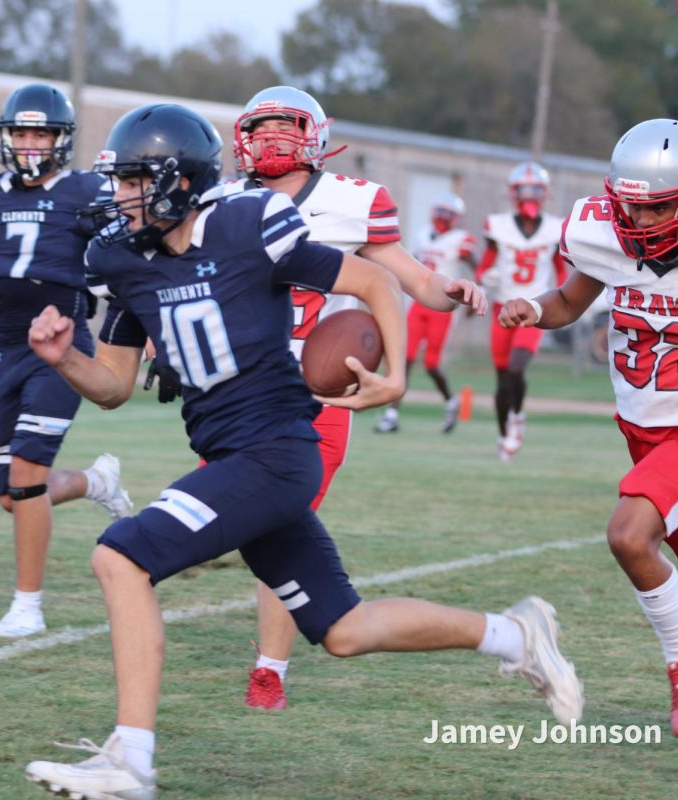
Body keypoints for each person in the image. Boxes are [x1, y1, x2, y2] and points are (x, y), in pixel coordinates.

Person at [23, 103, 581, 799]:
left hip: (277, 450)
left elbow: (374, 280)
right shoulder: (122, 259)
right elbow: (111, 386)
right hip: (237, 456)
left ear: (177, 181)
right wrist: (61, 358)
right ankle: (515, 635)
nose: (119, 195)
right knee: (344, 629)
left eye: (135, 180)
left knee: (120, 555)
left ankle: (129, 758)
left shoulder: (247, 222)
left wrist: (397, 376)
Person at [229, 86, 487, 710]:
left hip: (320, 396)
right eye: (258, 129)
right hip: (240, 397)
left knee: (274, 521)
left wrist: (449, 289)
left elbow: (413, 278)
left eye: (283, 128)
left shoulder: (350, 203)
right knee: (251, 525)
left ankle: (270, 669)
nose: (270, 140)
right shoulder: (225, 205)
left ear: (314, 135)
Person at [500, 118, 678, 738]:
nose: (641, 224)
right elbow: (569, 302)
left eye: (657, 210)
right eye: (631, 208)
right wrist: (533, 309)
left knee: (628, 534)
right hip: (646, 430)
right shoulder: (602, 233)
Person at [0, 83, 132, 638]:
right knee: (9, 494)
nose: (28, 143)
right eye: (20, 132)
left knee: (25, 476)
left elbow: (123, 259)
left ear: (61, 140)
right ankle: (96, 483)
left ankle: (28, 606)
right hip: (10, 349)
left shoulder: (86, 192)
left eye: (39, 133)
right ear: (4, 137)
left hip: (63, 346)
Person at [476, 161, 568, 461]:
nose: (528, 194)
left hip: (533, 309)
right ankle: (504, 435)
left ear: (544, 193)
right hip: (502, 308)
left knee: (517, 367)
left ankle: (518, 416)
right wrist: (482, 277)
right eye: (523, 189)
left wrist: (567, 301)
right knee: (502, 379)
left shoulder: (555, 228)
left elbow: (560, 270)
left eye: (534, 189)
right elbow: (485, 263)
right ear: (513, 192)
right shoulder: (498, 225)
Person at [375, 193, 478, 433]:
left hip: (443, 306)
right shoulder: (423, 234)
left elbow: (477, 267)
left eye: (447, 213)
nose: (442, 217)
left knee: (431, 364)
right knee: (405, 358)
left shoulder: (460, 239)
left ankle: (451, 402)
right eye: (440, 211)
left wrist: (475, 297)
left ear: (457, 218)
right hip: (419, 303)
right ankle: (392, 414)